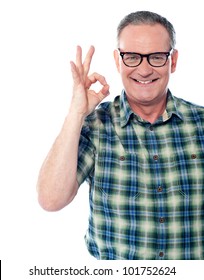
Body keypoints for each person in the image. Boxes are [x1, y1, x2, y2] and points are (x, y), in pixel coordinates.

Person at [37, 11, 204, 260]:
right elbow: (51, 200)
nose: (144, 69)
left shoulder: (200, 123)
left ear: (173, 61)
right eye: (132, 57)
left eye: (157, 57)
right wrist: (76, 113)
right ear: (118, 61)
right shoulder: (95, 125)